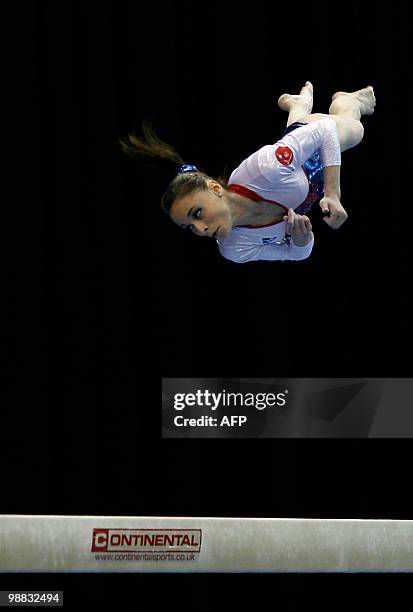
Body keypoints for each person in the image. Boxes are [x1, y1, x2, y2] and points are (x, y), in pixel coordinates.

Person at [120, 82, 376, 262]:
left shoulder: (263, 169)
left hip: (313, 153)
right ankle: (298, 105)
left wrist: (332, 194)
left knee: (355, 129)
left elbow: (326, 132)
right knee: (287, 152)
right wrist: (301, 239)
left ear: (215, 189)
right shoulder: (234, 248)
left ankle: (346, 100)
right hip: (290, 166)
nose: (201, 229)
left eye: (197, 213)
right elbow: (296, 254)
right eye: (190, 227)